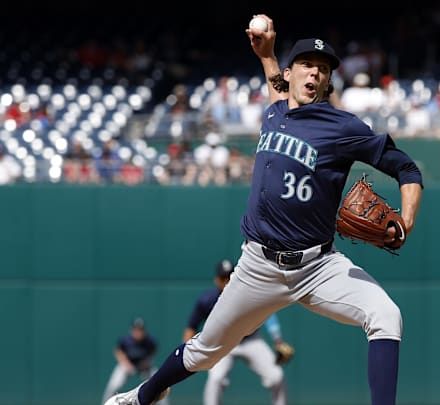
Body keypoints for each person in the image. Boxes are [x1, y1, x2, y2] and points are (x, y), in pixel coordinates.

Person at [104, 13, 423, 405]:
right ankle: (141, 397)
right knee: (205, 350)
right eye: (307, 65)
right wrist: (267, 55)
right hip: (258, 265)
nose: (315, 75)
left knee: (386, 316)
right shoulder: (275, 111)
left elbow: (405, 167)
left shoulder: (343, 127)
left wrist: (407, 218)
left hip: (318, 266)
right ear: (290, 73)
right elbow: (277, 91)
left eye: (323, 70)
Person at [184, 259, 289, 405]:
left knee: (276, 376)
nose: (227, 281)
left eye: (229, 277)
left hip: (250, 340)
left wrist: (278, 339)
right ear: (217, 280)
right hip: (222, 344)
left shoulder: (248, 295)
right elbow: (191, 327)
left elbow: (268, 314)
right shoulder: (206, 300)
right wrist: (185, 355)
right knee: (216, 379)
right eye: (223, 278)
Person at [101, 318, 170, 405]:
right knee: (114, 385)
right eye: (136, 329)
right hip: (128, 365)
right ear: (132, 330)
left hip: (145, 367)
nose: (138, 332)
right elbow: (118, 351)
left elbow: (153, 352)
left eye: (140, 330)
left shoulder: (150, 341)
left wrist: (146, 364)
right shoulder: (126, 340)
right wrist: (125, 363)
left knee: (161, 383)